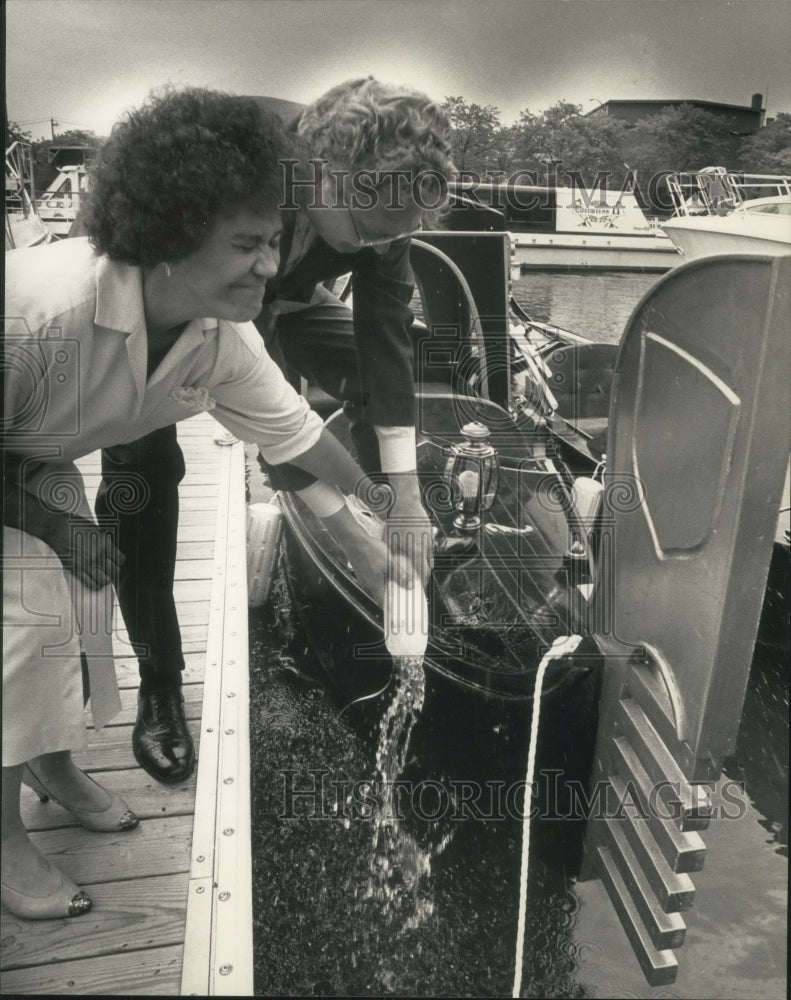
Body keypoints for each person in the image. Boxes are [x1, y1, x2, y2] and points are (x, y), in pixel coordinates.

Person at [2, 87, 410, 920]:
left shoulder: (221, 335)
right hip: (20, 466)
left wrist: (381, 533)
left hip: (30, 456)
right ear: (167, 238)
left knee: (68, 602)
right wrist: (51, 519)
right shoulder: (35, 315)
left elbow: (296, 440)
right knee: (21, 616)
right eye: (250, 244)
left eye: (274, 241)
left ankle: (48, 761)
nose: (273, 267)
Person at [54, 78, 455, 788]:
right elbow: (267, 412)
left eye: (400, 229)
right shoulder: (237, 175)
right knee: (143, 473)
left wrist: (405, 495)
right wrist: (338, 523)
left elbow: (384, 336)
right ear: (322, 173)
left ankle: (391, 542)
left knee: (392, 362)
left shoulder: (386, 210)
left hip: (294, 301)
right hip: (187, 309)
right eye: (371, 226)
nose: (386, 242)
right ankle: (159, 682)